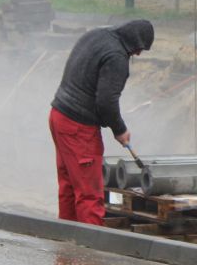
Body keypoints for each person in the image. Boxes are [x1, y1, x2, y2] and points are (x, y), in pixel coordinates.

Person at [49, 19, 154, 225]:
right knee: (89, 194)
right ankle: (89, 253)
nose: (139, 54)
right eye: (139, 49)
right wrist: (120, 129)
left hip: (58, 115)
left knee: (69, 186)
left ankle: (67, 246)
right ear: (134, 42)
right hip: (78, 128)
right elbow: (106, 102)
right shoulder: (117, 57)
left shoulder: (97, 34)